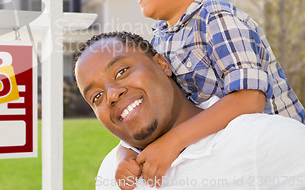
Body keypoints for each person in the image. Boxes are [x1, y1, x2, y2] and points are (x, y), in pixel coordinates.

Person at [109, 0, 305, 187]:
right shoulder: (160, 37)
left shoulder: (217, 17)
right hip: (225, 159)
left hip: (275, 164)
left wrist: (174, 141)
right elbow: (159, 107)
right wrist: (125, 153)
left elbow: (249, 99)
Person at [73, 31, 305, 189]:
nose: (112, 94)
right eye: (97, 96)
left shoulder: (262, 140)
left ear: (162, 64)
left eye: (122, 71)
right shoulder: (111, 173)